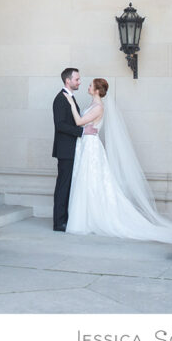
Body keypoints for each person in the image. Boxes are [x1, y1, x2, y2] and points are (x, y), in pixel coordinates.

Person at [64, 78, 172, 244]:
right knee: (85, 180)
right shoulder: (92, 105)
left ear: (96, 90)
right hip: (85, 144)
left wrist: (72, 105)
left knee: (91, 179)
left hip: (91, 146)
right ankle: (86, 216)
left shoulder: (98, 107)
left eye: (90, 85)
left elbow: (79, 122)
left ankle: (89, 218)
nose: (87, 87)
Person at [51, 67, 97, 231]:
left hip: (71, 149)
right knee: (63, 186)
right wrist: (83, 131)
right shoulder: (60, 99)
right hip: (65, 150)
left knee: (69, 185)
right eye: (77, 79)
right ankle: (59, 222)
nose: (79, 82)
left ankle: (66, 219)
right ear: (67, 81)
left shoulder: (70, 98)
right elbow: (60, 125)